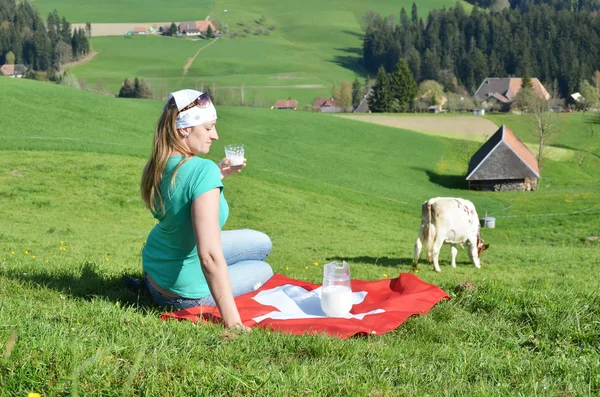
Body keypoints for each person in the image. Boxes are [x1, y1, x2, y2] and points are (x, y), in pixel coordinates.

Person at [140, 89, 274, 330]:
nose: (216, 135)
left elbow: (183, 189)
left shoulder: (160, 164)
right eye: (209, 127)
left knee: (262, 242)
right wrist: (234, 323)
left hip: (155, 273)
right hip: (183, 294)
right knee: (263, 269)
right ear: (185, 129)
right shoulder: (202, 171)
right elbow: (209, 257)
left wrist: (218, 173)